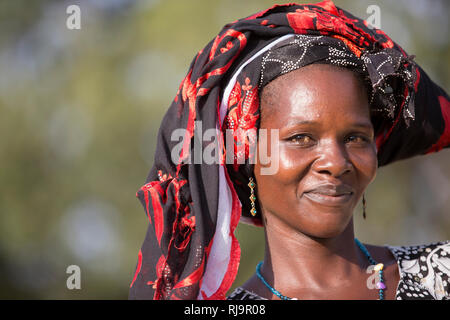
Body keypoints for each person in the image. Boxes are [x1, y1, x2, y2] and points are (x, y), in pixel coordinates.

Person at [129, 1, 450, 300]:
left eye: (355, 138)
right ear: (248, 155)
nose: (336, 163)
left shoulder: (440, 275)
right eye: (302, 138)